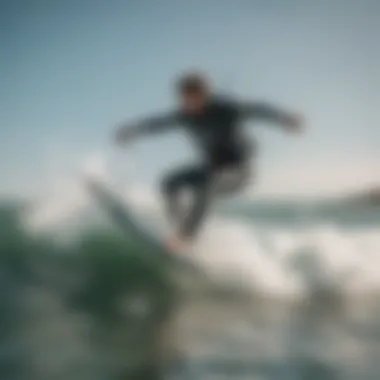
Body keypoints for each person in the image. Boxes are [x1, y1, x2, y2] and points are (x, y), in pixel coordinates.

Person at [115, 72, 304, 252]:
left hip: (239, 173)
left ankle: (186, 238)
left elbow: (258, 109)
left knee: (208, 184)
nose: (190, 104)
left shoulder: (225, 109)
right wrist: (133, 130)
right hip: (210, 169)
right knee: (169, 183)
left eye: (195, 98)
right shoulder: (185, 116)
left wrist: (284, 118)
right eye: (185, 99)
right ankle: (181, 229)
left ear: (205, 95)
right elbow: (159, 123)